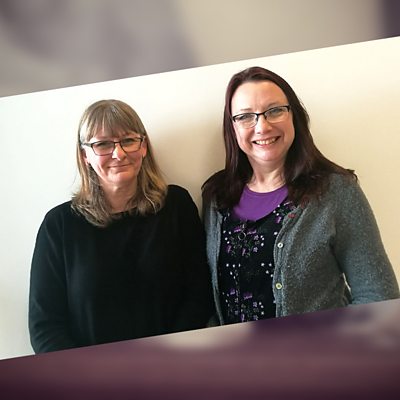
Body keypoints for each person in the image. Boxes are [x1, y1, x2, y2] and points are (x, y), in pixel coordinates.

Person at [202, 66, 399, 325]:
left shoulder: (336, 191)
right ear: (232, 127)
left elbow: (379, 297)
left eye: (275, 110)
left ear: (294, 116)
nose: (262, 126)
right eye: (246, 116)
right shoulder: (217, 196)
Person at [29, 99, 214, 353]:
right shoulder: (58, 226)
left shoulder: (176, 206)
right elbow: (45, 326)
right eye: (103, 144)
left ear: (143, 146)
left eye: (128, 140)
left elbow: (199, 294)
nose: (119, 154)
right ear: (84, 155)